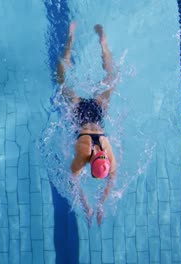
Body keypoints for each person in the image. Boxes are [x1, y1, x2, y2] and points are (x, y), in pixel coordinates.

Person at [56, 22, 117, 226]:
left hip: (97, 114)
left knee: (112, 78)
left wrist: (96, 205)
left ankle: (101, 45)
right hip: (79, 115)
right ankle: (71, 40)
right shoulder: (82, 157)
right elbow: (73, 183)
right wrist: (90, 206)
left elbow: (111, 177)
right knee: (61, 80)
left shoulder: (107, 153)